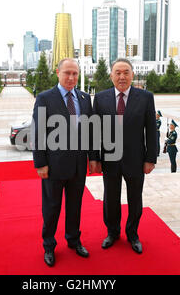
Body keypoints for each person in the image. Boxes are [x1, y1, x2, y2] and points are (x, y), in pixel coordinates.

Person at [32, 58, 99, 267]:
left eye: (75, 74)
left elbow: (92, 131)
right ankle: (49, 246)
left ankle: (73, 240)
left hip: (79, 165)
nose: (71, 77)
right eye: (67, 73)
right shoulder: (45, 98)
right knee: (52, 207)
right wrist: (40, 163)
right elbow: (38, 131)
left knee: (75, 206)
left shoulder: (84, 98)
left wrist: (94, 157)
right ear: (58, 73)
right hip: (54, 166)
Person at [93, 58, 157, 255]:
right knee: (110, 198)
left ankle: (132, 234)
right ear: (111, 75)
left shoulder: (145, 97)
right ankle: (112, 233)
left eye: (126, 72)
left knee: (135, 199)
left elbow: (151, 130)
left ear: (132, 75)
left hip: (136, 159)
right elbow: (95, 130)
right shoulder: (101, 98)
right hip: (109, 159)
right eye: (118, 72)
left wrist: (150, 158)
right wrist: (95, 158)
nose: (122, 76)